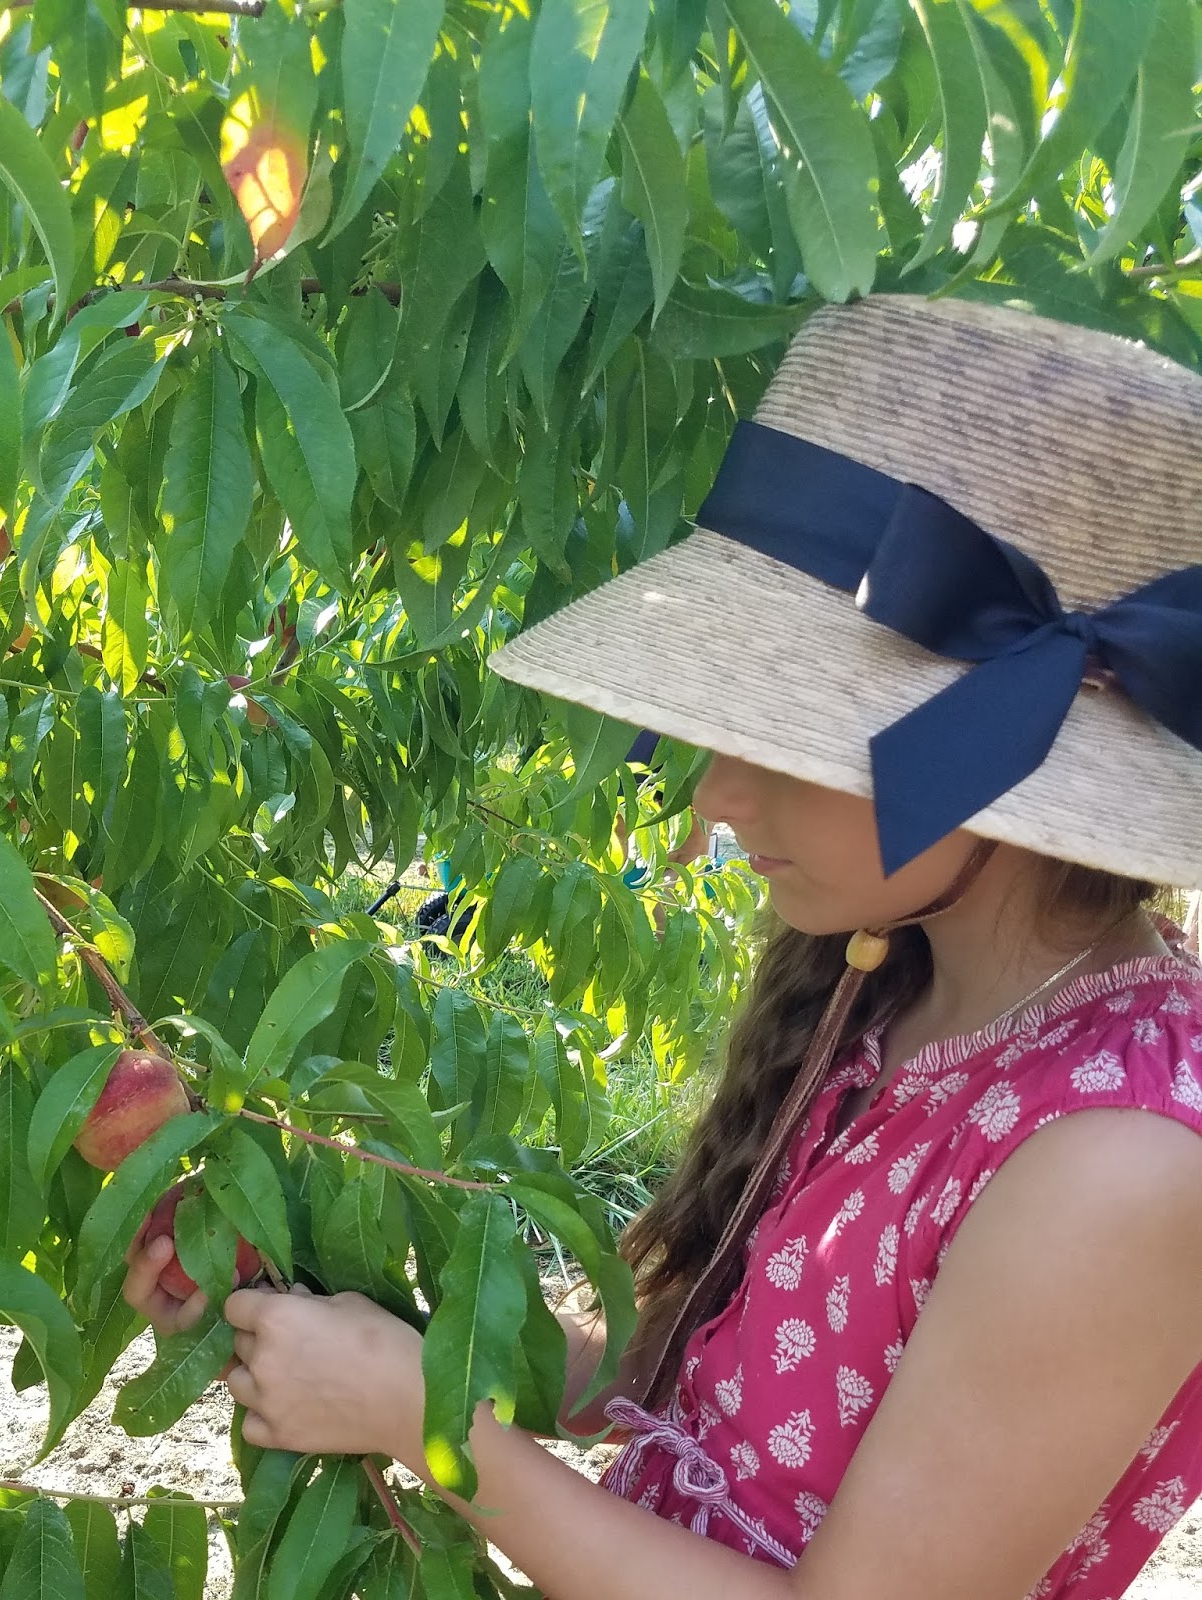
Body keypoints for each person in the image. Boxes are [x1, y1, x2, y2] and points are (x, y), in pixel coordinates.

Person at [124, 296, 1202, 1599]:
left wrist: (434, 1427)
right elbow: (684, 1386)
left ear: (999, 754)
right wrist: (344, 1296)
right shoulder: (891, 983)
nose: (713, 800)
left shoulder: (1120, 1162)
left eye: (779, 742)